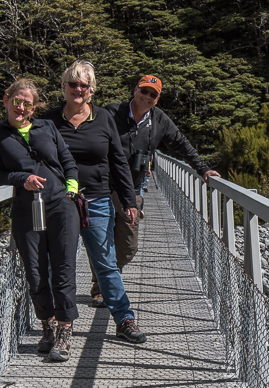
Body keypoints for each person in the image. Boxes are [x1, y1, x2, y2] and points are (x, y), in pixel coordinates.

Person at [87, 75, 221, 306]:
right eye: (144, 91)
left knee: (129, 247)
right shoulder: (111, 113)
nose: (147, 97)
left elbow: (181, 143)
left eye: (153, 94)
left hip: (132, 190)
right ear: (135, 89)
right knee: (101, 239)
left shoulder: (159, 121)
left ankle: (107, 274)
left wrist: (203, 169)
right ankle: (102, 286)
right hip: (101, 186)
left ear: (157, 99)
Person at [41, 59, 147, 343]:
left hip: (97, 201)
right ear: (63, 87)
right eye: (72, 84)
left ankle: (124, 319)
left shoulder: (103, 119)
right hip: (60, 203)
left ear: (92, 90)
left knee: (106, 263)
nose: (78, 89)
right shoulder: (48, 121)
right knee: (59, 264)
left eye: (83, 85)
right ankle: (60, 323)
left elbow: (118, 162)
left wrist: (128, 200)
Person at [0, 78, 81, 361]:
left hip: (60, 206)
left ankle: (65, 331)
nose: (22, 107)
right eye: (17, 101)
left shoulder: (47, 127)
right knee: (36, 273)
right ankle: (48, 326)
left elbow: (68, 161)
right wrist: (22, 178)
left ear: (34, 107)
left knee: (64, 269)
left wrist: (72, 190)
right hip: (27, 209)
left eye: (28, 103)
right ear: (6, 100)